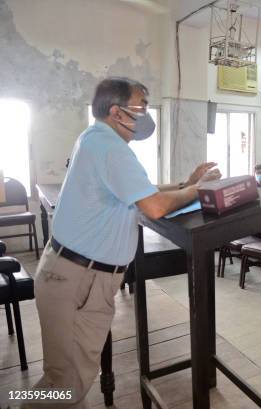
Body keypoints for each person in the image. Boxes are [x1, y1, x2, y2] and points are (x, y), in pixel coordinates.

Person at [29, 77, 222, 408]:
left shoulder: (96, 139)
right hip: (79, 280)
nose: (145, 115)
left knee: (63, 379)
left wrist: (184, 183)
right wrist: (199, 188)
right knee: (64, 385)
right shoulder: (110, 148)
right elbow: (155, 206)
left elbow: (142, 191)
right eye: (140, 108)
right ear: (117, 112)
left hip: (71, 273)